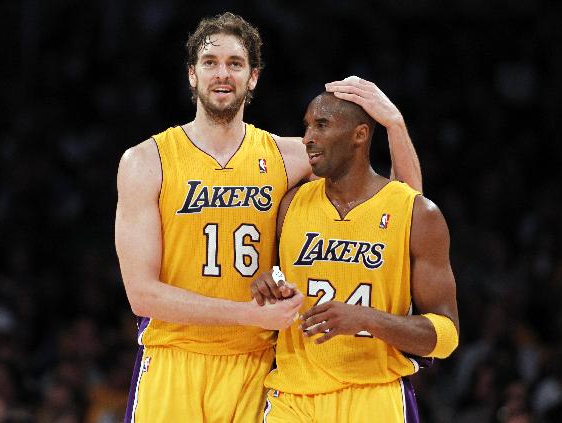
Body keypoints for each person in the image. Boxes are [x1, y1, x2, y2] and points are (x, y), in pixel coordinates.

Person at [115, 12, 422, 423]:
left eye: (235, 64)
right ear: (192, 75)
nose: (222, 74)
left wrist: (394, 124)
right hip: (173, 358)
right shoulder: (146, 161)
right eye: (210, 63)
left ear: (253, 76)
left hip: (256, 366)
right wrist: (248, 313)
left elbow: (404, 209)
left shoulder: (287, 155)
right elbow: (142, 294)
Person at [251, 92, 459, 422]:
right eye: (307, 127)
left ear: (359, 135)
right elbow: (275, 285)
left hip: (374, 395)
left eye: (321, 125)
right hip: (293, 395)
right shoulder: (291, 204)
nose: (307, 138)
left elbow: (446, 337)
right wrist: (267, 285)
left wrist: (366, 319)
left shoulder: (417, 213)